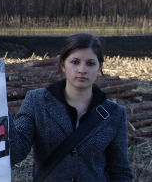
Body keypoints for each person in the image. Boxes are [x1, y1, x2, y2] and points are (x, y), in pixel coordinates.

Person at [9, 33, 133, 182]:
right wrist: (0, 112)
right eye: (75, 62)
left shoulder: (114, 114)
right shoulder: (36, 101)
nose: (82, 69)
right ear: (62, 64)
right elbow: (16, 152)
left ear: (99, 67)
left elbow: (120, 171)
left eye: (90, 63)